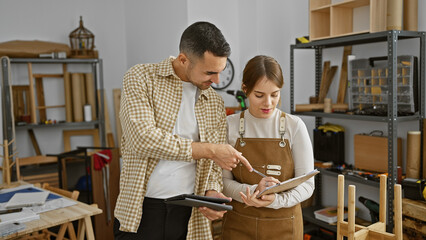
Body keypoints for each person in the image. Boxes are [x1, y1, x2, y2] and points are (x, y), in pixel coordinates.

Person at [114, 21, 252, 240]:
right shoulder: (141, 78)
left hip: (189, 214)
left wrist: (211, 192)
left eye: (220, 72)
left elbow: (212, 169)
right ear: (183, 59)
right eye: (209, 72)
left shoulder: (213, 102)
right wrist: (211, 150)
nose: (216, 81)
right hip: (142, 211)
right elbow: (141, 139)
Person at [221, 55, 315, 240]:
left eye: (275, 94)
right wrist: (252, 191)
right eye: (259, 95)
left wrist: (276, 200)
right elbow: (222, 182)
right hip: (239, 224)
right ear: (245, 89)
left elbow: (307, 184)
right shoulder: (229, 125)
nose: (268, 103)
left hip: (285, 225)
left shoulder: (294, 126)